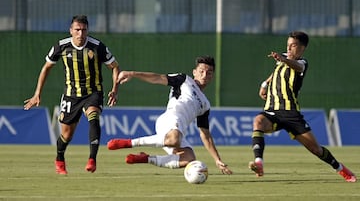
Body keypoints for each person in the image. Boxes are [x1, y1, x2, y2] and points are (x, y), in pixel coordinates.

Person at [249, 31, 356, 182]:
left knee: (316, 149)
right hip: (272, 111)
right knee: (258, 121)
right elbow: (276, 73)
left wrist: (283, 59)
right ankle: (259, 162)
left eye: (293, 45)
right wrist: (265, 84)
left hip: (292, 114)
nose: (289, 48)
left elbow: (297, 66)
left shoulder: (302, 63)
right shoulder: (282, 60)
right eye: (288, 45)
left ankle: (340, 168)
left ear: (302, 48)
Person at [24, 15, 120, 175]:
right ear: (71, 30)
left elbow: (115, 67)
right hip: (71, 95)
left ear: (88, 30)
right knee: (66, 135)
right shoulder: (61, 46)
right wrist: (37, 94)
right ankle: (59, 157)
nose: (80, 34)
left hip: (93, 92)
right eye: (77, 30)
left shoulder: (97, 47)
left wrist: (115, 89)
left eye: (84, 30)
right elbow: (46, 68)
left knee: (94, 116)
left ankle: (92, 159)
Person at [107, 56, 232, 175]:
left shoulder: (205, 104)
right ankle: (128, 143)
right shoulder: (184, 80)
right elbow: (158, 78)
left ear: (212, 76)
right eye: (201, 71)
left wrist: (217, 159)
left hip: (178, 131)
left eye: (209, 73)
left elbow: (205, 135)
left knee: (188, 158)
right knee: (174, 139)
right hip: (169, 120)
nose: (204, 75)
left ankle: (146, 158)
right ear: (195, 72)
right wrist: (133, 74)